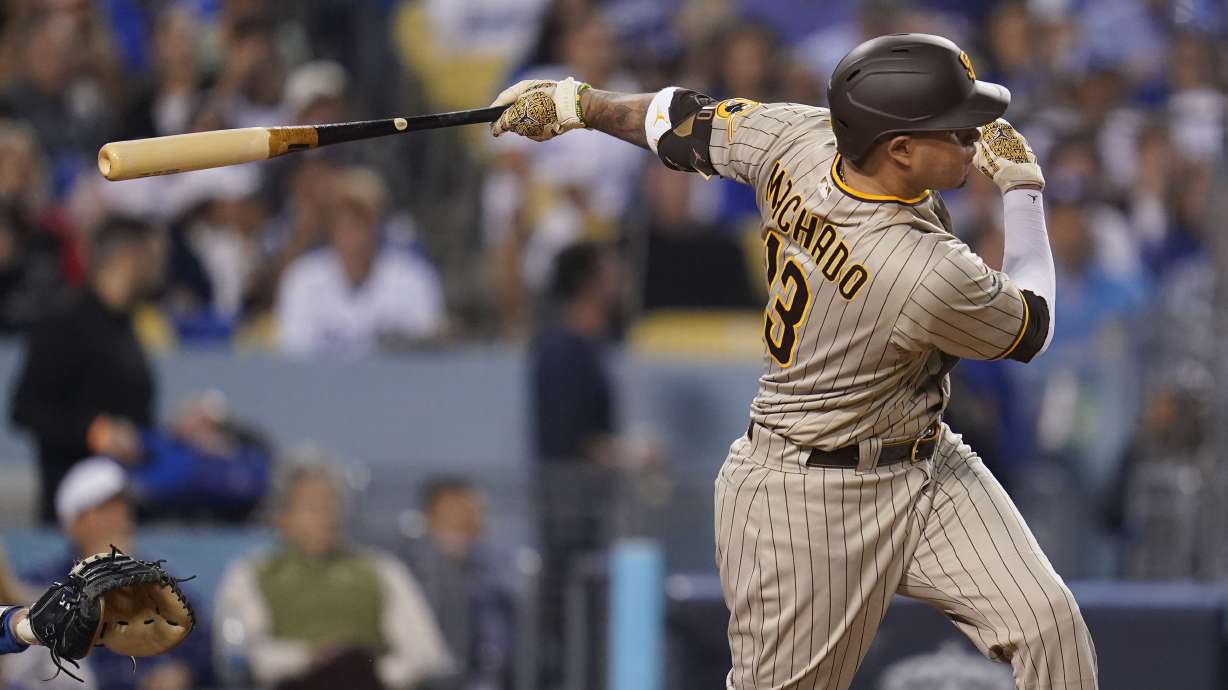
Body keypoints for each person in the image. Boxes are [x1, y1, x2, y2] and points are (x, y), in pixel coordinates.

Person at [490, 32, 1097, 690]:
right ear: (898, 149)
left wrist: (575, 103)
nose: (974, 138)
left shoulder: (800, 135)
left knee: (1048, 628)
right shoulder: (920, 269)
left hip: (924, 469)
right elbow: (1034, 322)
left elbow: (677, 124)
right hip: (807, 499)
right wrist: (1025, 190)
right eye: (955, 129)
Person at [214, 461, 453, 690]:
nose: (326, 518)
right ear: (282, 518)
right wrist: (308, 658)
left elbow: (425, 653)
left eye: (332, 506)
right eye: (312, 508)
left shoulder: (380, 569)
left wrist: (372, 673)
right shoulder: (253, 572)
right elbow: (241, 654)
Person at [9, 215, 164, 523]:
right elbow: (25, 409)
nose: (161, 268)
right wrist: (96, 433)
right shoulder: (64, 322)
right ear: (129, 259)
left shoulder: (125, 324)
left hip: (125, 505)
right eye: (155, 257)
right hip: (75, 513)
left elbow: (130, 414)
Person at [17, 457, 211, 690]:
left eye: (122, 507)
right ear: (74, 524)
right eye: (104, 509)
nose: (118, 518)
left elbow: (201, 640)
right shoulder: (44, 585)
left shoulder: (156, 577)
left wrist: (183, 671)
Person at [275, 166, 445, 357]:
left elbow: (429, 356)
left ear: (377, 222)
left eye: (361, 218)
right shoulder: (303, 279)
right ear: (331, 224)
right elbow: (295, 360)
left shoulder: (412, 278)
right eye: (342, 217)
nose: (352, 228)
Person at [401, 477, 515, 690]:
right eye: (456, 513)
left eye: (474, 513)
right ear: (431, 516)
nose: (467, 523)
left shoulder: (494, 568)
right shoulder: (405, 567)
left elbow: (497, 644)